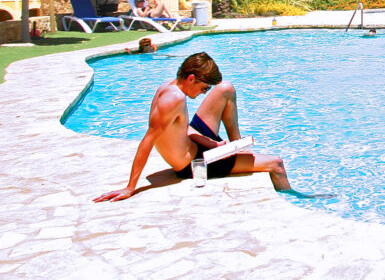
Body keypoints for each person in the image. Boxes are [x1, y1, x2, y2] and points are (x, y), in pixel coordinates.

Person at [94, 52, 290, 202]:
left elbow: (184, 128)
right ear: (191, 79)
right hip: (196, 163)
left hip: (198, 146)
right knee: (276, 164)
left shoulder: (169, 86)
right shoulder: (174, 99)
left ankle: (236, 145)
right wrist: (130, 187)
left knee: (226, 88)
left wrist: (211, 143)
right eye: (204, 88)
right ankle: (291, 197)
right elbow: (148, 140)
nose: (204, 93)